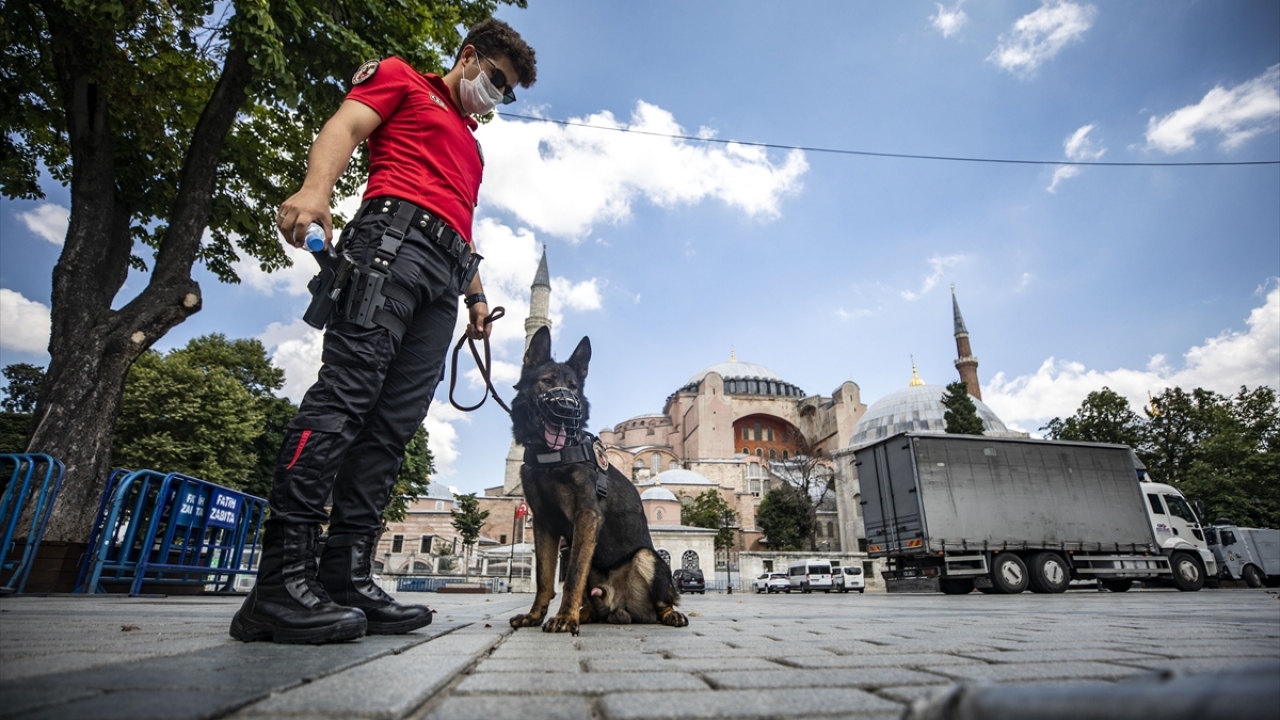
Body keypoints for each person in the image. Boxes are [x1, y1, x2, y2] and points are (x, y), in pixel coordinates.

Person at [230, 18, 537, 644]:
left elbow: (460, 222)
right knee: (344, 400)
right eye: (497, 81)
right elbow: (345, 126)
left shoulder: (473, 149)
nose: (497, 97)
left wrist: (476, 298)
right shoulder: (401, 78)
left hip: (442, 280)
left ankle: (344, 576)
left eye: (508, 93)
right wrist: (317, 191)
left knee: (393, 428)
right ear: (470, 56)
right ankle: (277, 586)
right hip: (388, 249)